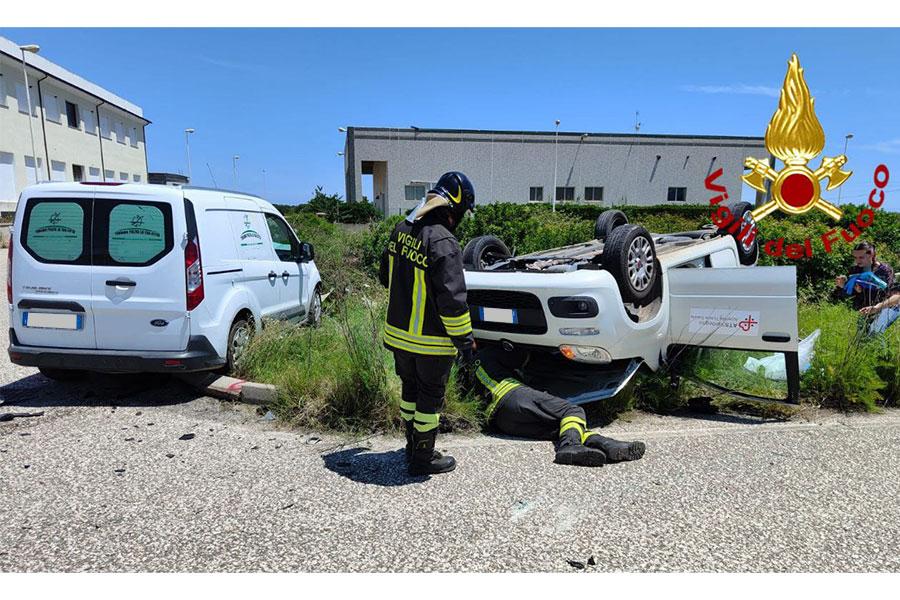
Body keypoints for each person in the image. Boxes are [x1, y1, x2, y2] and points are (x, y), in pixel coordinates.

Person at [378, 171, 476, 476]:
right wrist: (466, 343)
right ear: (453, 210)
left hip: (398, 337)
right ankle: (422, 459)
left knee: (409, 392)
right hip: (431, 343)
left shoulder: (400, 231)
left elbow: (385, 276)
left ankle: (410, 446)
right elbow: (453, 303)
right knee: (429, 401)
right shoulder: (444, 242)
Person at [472, 345, 646, 467]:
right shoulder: (492, 352)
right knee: (572, 410)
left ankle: (606, 444)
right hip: (514, 396)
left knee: (561, 426)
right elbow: (533, 362)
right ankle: (570, 446)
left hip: (501, 421)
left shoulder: (469, 367)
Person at [832, 241, 894, 315]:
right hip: (863, 312)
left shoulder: (884, 270)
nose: (857, 261)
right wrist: (842, 286)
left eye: (861, 257)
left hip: (883, 311)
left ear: (871, 255)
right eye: (855, 257)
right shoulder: (854, 271)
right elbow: (848, 299)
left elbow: (889, 292)